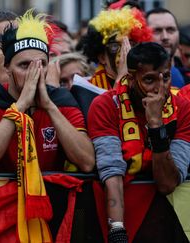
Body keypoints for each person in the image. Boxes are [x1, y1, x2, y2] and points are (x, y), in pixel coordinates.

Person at [0, 10, 94, 174]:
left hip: (51, 197)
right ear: (7, 67)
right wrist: (20, 106)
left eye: (42, 64)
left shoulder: (61, 98)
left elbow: (87, 162)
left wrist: (49, 107)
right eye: (24, 65)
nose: (34, 72)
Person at [88, 42, 190, 242]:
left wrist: (156, 126)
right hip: (119, 213)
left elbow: (168, 182)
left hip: (167, 219)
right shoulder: (105, 105)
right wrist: (117, 229)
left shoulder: (184, 109)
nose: (160, 89)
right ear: (130, 78)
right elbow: (112, 171)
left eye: (166, 77)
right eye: (149, 80)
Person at [79, 7, 152, 90]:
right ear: (102, 57)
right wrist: (122, 79)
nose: (126, 50)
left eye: (131, 44)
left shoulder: (150, 85)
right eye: (115, 46)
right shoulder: (86, 90)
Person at [146, 8, 187, 88]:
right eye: (157, 31)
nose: (165, 37)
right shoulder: (133, 81)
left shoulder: (187, 78)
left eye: (170, 30)